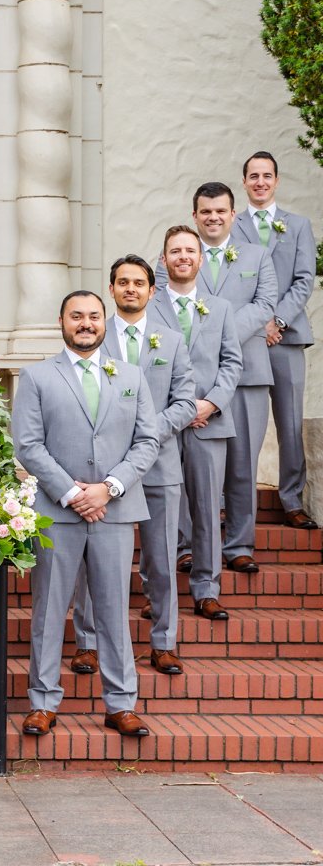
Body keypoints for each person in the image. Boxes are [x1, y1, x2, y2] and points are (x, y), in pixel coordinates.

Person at [13, 291, 159, 739]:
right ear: (61, 321)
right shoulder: (37, 377)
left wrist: (109, 488)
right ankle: (42, 701)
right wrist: (72, 492)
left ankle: (121, 704)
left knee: (115, 611)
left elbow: (147, 441)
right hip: (59, 513)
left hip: (114, 511)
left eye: (94, 316)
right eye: (77, 316)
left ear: (104, 322)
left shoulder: (131, 375)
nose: (86, 323)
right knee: (49, 609)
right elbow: (28, 444)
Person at [70, 256, 197, 676]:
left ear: (151, 290)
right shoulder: (93, 338)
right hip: (102, 473)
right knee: (94, 562)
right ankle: (87, 642)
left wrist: (146, 430)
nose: (130, 289)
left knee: (160, 559)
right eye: (122, 282)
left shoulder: (171, 341)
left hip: (158, 466)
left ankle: (163, 641)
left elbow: (185, 402)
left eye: (138, 283)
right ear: (111, 289)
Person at [158, 182, 276, 575]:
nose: (213, 217)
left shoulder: (258, 256)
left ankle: (239, 543)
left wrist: (220, 329)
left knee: (242, 465)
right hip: (186, 382)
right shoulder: (175, 258)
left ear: (233, 215)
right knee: (182, 468)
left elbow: (264, 305)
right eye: (205, 211)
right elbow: (162, 312)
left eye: (220, 211)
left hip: (246, 377)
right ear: (195, 215)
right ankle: (187, 545)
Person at [152, 225, 243, 621]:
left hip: (209, 423)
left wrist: (209, 404)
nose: (183, 256)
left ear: (201, 259)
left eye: (190, 250)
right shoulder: (149, 307)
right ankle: (158, 594)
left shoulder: (220, 308)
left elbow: (231, 363)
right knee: (160, 512)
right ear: (164, 259)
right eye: (175, 251)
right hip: (161, 427)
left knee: (207, 509)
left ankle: (206, 589)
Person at [232, 151, 318, 530]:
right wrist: (256, 323)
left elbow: (304, 280)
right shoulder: (232, 226)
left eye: (267, 175)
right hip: (246, 339)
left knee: (288, 422)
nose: (261, 182)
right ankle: (235, 502)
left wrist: (277, 319)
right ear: (245, 182)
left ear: (277, 181)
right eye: (254, 176)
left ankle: (291, 499)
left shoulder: (297, 225)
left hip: (287, 337)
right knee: (239, 424)